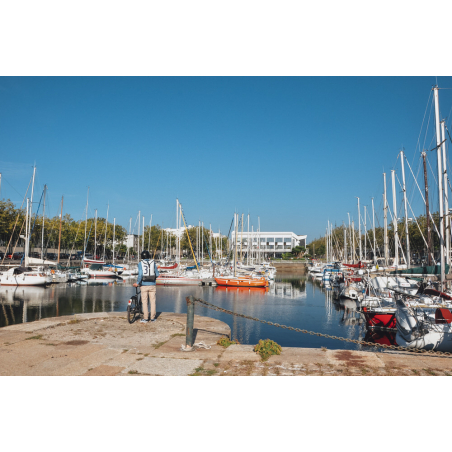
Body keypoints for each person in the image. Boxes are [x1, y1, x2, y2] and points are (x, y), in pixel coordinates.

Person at [133, 250, 159, 323]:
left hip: (144, 285)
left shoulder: (140, 263)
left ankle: (145, 318)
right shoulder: (153, 263)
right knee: (153, 301)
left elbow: (140, 274)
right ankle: (153, 318)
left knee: (144, 301)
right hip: (152, 285)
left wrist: (137, 283)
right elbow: (157, 274)